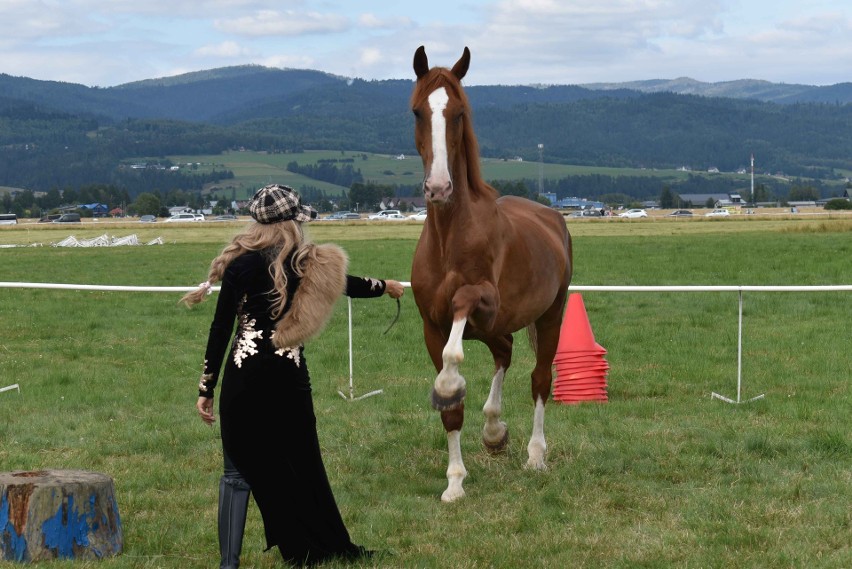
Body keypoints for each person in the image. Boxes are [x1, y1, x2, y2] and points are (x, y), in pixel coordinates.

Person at [181, 184, 404, 568]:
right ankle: (317, 543)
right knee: (303, 465)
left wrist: (206, 388)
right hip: (289, 381)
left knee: (237, 473)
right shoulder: (308, 261)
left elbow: (220, 330)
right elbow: (348, 285)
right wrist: (386, 287)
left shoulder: (239, 265)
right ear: (296, 221)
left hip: (242, 381)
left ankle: (228, 564)